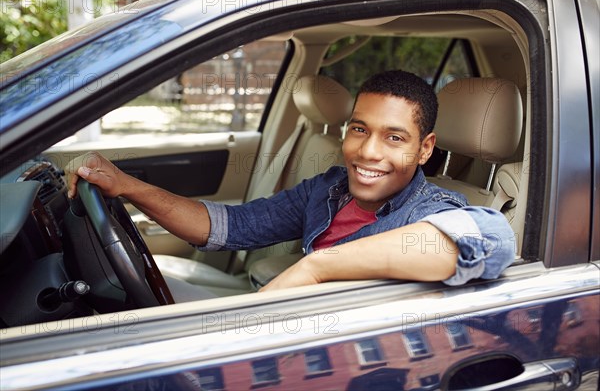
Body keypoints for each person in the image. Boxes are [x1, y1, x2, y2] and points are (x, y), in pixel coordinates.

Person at [67, 70, 515, 293]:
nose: (368, 152)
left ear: (424, 148)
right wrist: (128, 187)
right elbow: (227, 226)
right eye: (359, 129)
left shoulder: (430, 208)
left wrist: (318, 265)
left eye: (394, 138)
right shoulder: (329, 188)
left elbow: (491, 238)